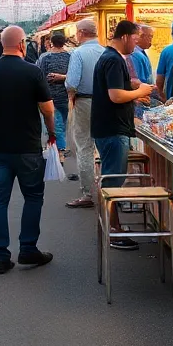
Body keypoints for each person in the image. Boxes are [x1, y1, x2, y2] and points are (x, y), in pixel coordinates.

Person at [0, 25, 56, 274]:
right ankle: (28, 248)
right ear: (21, 45)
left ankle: (0, 256)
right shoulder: (32, 72)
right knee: (33, 197)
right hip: (27, 146)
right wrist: (51, 133)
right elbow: (48, 109)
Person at [92, 19, 154, 250]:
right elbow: (116, 96)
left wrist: (134, 89)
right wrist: (139, 90)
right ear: (126, 36)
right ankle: (113, 230)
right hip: (111, 128)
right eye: (136, 39)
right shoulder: (114, 59)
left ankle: (111, 226)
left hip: (109, 126)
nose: (136, 44)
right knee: (113, 182)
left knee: (111, 180)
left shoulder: (110, 57)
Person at [63, 18, 105, 208]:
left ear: (81, 33)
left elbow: (71, 82)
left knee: (84, 147)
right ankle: (108, 187)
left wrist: (71, 95)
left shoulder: (78, 53)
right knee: (104, 146)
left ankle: (87, 193)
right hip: (106, 102)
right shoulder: (105, 52)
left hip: (85, 101)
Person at [35, 31, 71, 158]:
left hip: (48, 95)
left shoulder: (45, 57)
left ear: (51, 43)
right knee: (62, 121)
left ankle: (57, 147)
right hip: (66, 95)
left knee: (54, 121)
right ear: (64, 42)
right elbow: (73, 76)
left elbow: (39, 75)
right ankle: (59, 146)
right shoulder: (70, 56)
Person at [130, 24, 159, 105]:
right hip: (141, 100)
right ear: (140, 36)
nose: (151, 40)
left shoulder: (139, 53)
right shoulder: (135, 55)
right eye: (150, 37)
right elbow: (136, 82)